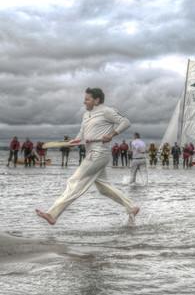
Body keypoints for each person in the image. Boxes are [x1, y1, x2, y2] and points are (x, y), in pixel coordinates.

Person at [35, 87, 139, 225]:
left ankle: (52, 214)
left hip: (99, 152)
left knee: (74, 180)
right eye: (85, 99)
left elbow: (126, 122)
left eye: (87, 99)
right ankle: (131, 207)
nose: (84, 102)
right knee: (103, 188)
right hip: (91, 152)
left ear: (97, 100)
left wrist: (112, 135)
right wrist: (74, 141)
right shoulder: (86, 115)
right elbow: (82, 135)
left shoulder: (106, 111)